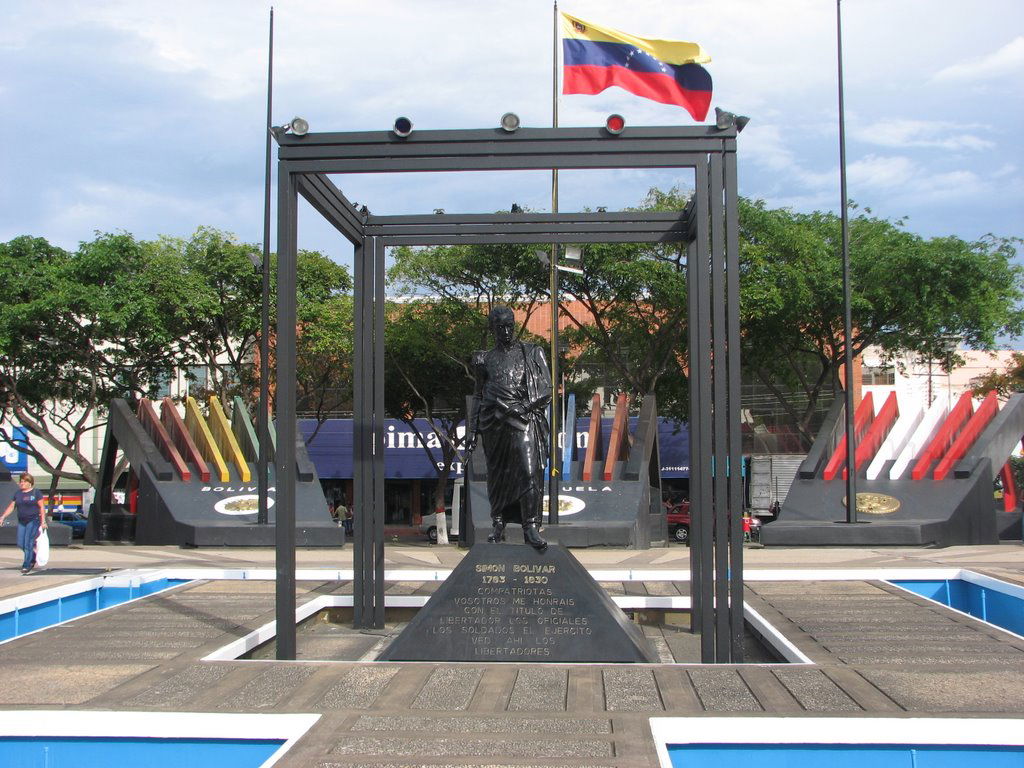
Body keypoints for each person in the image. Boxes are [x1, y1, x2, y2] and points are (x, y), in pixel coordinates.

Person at [468, 306, 551, 551]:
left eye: (510, 326)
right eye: (501, 327)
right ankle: (498, 524)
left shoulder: (532, 352)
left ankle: (531, 526)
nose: (506, 331)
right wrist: (472, 432)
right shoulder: (484, 359)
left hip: (522, 419)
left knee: (528, 470)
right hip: (494, 424)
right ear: (492, 329)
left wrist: (523, 406)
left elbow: (546, 388)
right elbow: (478, 395)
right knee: (498, 476)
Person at [0, 472, 48, 574]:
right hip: (22, 521)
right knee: (21, 543)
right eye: (20, 482)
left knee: (28, 542)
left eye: (24, 482)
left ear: (30, 483)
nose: (21, 483)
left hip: (33, 520)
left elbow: (42, 507)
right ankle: (33, 557)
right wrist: (3, 516)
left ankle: (27, 565)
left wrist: (43, 521)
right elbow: (12, 506)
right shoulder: (18, 494)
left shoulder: (36, 493)